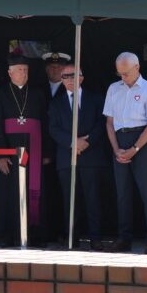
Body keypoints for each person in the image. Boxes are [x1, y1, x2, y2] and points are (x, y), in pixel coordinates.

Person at [103, 52, 147, 254]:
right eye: (120, 73)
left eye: (126, 73)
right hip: (119, 140)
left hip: (142, 141)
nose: (123, 78)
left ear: (137, 68)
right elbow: (109, 123)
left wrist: (135, 149)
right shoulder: (114, 89)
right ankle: (124, 237)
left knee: (146, 191)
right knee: (122, 192)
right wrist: (116, 149)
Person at [0, 54, 50, 246]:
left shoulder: (39, 93)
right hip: (10, 151)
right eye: (19, 70)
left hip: (35, 148)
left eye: (26, 70)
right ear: (10, 73)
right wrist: (0, 155)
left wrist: (47, 153)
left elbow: (46, 123)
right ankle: (8, 235)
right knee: (8, 193)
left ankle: (35, 235)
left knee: (35, 191)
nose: (23, 73)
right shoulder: (0, 94)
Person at [48, 61, 107, 250]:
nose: (70, 79)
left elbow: (102, 124)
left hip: (92, 156)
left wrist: (86, 142)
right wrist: (74, 143)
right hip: (67, 157)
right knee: (70, 200)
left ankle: (96, 237)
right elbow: (53, 129)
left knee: (93, 200)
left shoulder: (96, 99)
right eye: (65, 76)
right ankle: (72, 237)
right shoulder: (55, 103)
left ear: (81, 77)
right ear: (61, 79)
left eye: (74, 75)